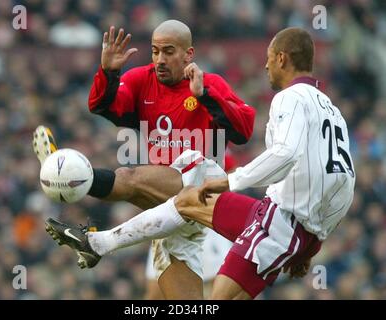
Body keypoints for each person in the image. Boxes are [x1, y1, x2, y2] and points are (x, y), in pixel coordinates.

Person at [45, 27, 355, 299]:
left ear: (282, 59)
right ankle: (96, 242)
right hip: (245, 210)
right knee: (169, 258)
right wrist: (312, 236)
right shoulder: (331, 111)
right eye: (155, 51)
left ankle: (91, 221)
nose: (264, 65)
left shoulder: (281, 97)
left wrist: (231, 178)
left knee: (174, 176)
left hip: (233, 196)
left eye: (269, 58)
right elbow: (342, 178)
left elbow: (266, 144)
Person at [35, 19, 254, 299]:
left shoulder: (209, 83)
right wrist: (109, 72)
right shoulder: (141, 79)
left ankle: (78, 199)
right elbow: (104, 107)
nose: (160, 59)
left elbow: (244, 131)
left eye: (169, 51)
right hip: (168, 202)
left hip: (204, 190)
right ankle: (72, 189)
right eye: (154, 51)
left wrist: (206, 96)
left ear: (189, 54)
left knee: (129, 177)